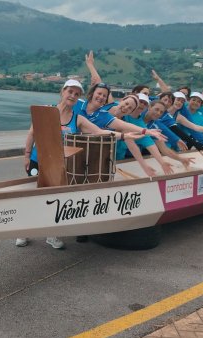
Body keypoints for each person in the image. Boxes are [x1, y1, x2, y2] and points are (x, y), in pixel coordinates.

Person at [18, 79, 143, 248]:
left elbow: (99, 132)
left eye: (77, 94)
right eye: (70, 92)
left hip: (60, 166)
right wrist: (26, 156)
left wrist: (125, 136)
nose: (73, 96)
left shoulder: (78, 119)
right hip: (37, 161)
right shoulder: (46, 111)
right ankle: (24, 232)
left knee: (54, 199)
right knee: (33, 197)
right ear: (63, 91)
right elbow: (32, 133)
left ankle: (51, 235)